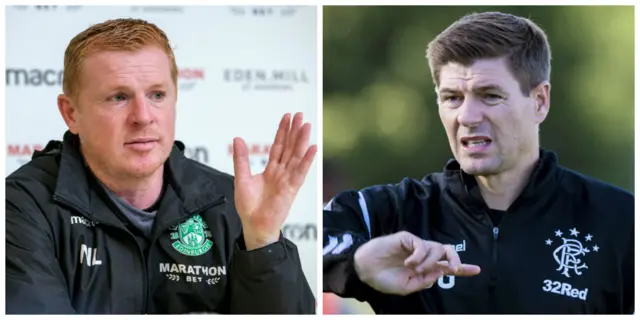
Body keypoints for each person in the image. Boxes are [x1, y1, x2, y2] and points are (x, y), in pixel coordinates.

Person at [322, 11, 633, 314]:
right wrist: (358, 263)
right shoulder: (394, 210)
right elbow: (293, 247)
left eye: (490, 95)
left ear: (540, 101)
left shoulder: (621, 220)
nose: (467, 116)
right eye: (452, 98)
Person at [6, 18, 317, 314]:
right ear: (71, 113)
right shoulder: (22, 205)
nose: (143, 116)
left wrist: (262, 242)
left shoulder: (230, 202)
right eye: (118, 97)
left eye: (157, 95)